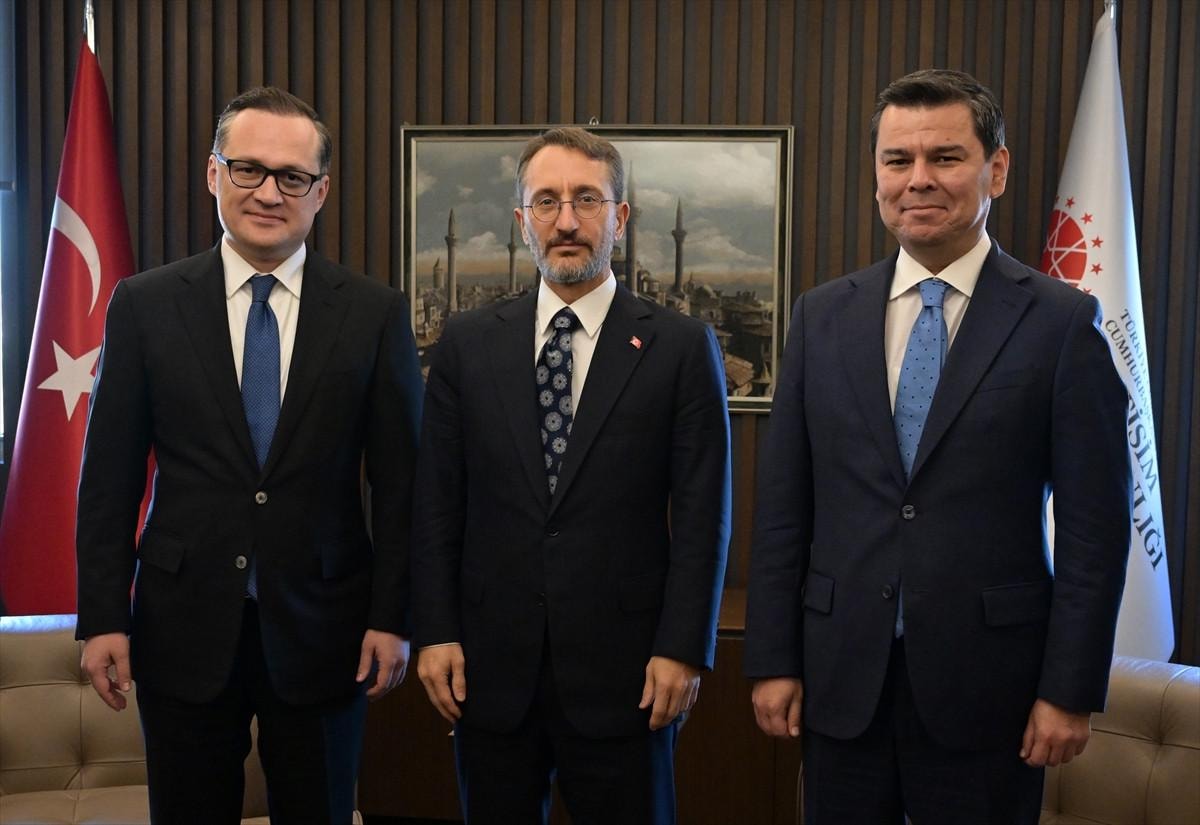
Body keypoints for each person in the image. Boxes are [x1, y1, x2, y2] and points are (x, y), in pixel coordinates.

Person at [745, 69, 1131, 824]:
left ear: (996, 169)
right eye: (898, 160)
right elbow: (784, 511)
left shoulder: (1061, 325)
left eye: (945, 157)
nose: (918, 179)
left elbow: (1096, 530)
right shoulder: (821, 318)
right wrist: (772, 659)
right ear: (878, 176)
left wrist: (1069, 689)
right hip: (840, 681)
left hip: (991, 691)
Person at [75, 86, 423, 825]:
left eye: (292, 176)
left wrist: (394, 616)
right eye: (249, 169)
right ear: (214, 174)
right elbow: (107, 478)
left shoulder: (374, 313)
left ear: (320, 191)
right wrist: (103, 616)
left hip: (328, 631)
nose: (269, 192)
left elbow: (403, 489)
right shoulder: (144, 305)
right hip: (181, 627)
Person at [411, 127, 731, 825]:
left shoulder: (680, 346)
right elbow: (435, 504)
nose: (566, 220)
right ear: (522, 219)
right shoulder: (467, 344)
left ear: (620, 217)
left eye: (587, 199)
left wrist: (683, 647)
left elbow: (703, 515)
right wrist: (434, 630)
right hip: (489, 669)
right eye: (546, 201)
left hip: (629, 674)